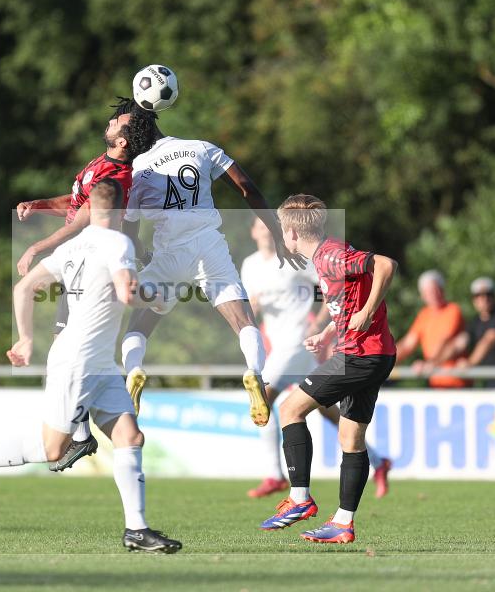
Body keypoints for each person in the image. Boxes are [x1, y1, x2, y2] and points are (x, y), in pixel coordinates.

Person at [0, 180, 181, 554]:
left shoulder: (72, 246)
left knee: (130, 437)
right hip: (78, 361)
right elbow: (127, 293)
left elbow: (23, 289)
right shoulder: (119, 242)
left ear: (91, 208)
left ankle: (136, 529)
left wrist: (25, 337)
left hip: (98, 361)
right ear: (120, 211)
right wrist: (158, 299)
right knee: (53, 450)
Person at [116, 100, 305, 426]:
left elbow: (129, 228)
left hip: (168, 254)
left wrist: (140, 255)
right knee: (244, 321)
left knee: (139, 327)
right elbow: (248, 188)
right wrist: (275, 232)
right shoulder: (201, 148)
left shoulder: (139, 170)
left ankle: (133, 372)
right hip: (208, 247)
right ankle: (255, 373)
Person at [258, 195, 397, 545]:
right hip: (374, 353)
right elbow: (346, 302)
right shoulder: (325, 257)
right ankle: (343, 523)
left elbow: (386, 265)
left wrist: (366, 313)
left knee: (290, 409)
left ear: (290, 232)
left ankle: (300, 499)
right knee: (350, 439)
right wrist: (327, 332)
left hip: (360, 355)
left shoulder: (331, 255)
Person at [11, 101, 135, 472]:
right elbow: (77, 200)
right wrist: (41, 203)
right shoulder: (100, 163)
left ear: (124, 141)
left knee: (70, 348)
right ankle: (81, 430)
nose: (111, 120)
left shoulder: (116, 172)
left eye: (119, 121)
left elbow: (81, 219)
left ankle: (79, 433)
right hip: (86, 261)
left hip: (93, 265)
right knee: (65, 346)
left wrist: (38, 245)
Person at [433, 277, 495, 387]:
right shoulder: (475, 322)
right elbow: (458, 344)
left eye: (488, 294)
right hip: (489, 383)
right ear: (474, 300)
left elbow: (488, 340)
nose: (484, 299)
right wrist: (434, 363)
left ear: (494, 296)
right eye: (478, 295)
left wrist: (470, 363)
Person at [395, 270, 468, 388]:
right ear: (422, 295)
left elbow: (445, 340)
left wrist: (429, 363)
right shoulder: (424, 314)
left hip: (457, 383)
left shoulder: (453, 310)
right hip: (436, 383)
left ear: (442, 290)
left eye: (436, 289)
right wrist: (385, 362)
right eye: (428, 291)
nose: (433, 294)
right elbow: (408, 344)